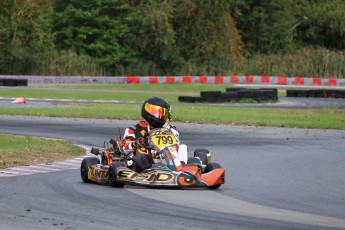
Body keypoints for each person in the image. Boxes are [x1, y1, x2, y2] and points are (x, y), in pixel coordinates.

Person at [121, 97, 187, 172]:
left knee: (183, 148)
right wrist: (137, 143)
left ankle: (181, 171)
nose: (157, 115)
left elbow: (175, 146)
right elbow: (124, 148)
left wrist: (161, 148)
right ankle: (147, 172)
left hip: (166, 159)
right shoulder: (134, 129)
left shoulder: (171, 130)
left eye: (161, 112)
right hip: (146, 162)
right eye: (155, 111)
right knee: (142, 150)